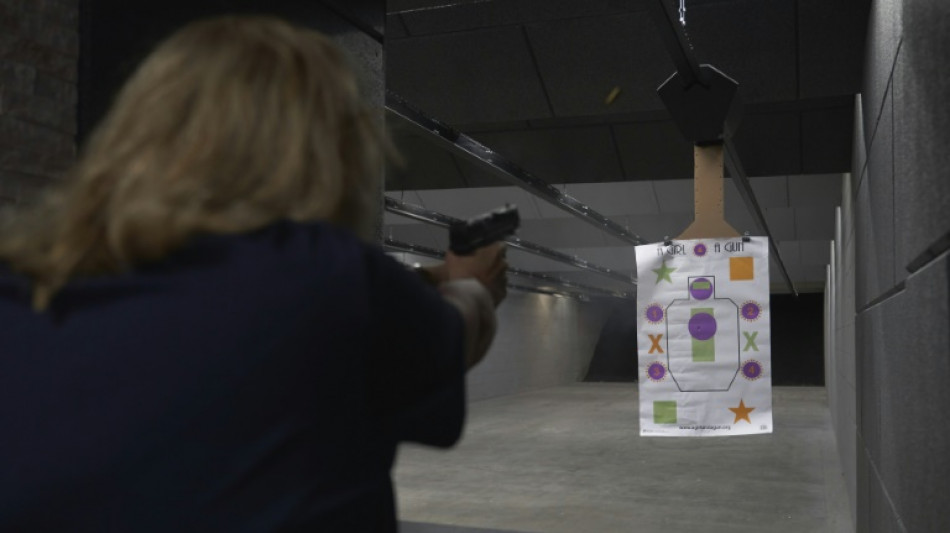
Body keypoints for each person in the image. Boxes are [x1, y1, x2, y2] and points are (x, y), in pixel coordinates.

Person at [0, 15, 506, 532]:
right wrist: (471, 281)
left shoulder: (20, 283)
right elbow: (454, 336)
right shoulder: (328, 277)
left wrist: (427, 279)